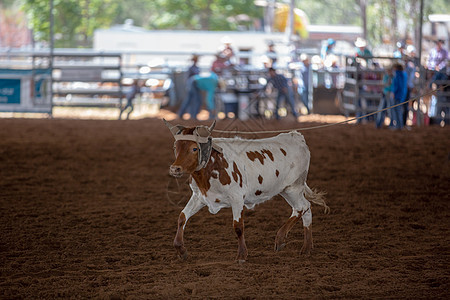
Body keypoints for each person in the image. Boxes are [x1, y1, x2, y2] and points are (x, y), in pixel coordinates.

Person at [390, 63, 408, 129]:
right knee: (399, 110)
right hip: (402, 95)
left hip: (397, 95)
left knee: (396, 111)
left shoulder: (397, 74)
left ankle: (398, 125)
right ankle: (400, 125)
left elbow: (397, 85)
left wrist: (393, 92)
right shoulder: (404, 74)